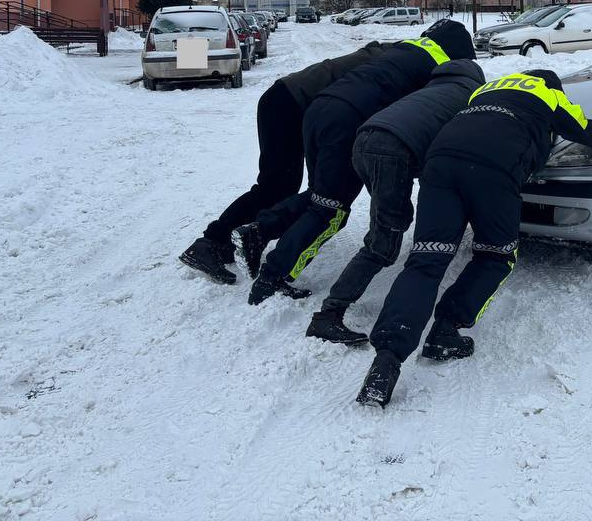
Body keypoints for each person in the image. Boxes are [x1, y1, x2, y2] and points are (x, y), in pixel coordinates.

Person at [355, 69, 592, 409]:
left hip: (440, 165)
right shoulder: (549, 94)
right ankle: (445, 330)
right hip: (493, 171)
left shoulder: (485, 91)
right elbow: (589, 132)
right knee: (495, 255)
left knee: (426, 260)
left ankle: (385, 362)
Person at [246, 20, 476, 304]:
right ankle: (273, 275)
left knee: (320, 196)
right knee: (331, 210)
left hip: (319, 108)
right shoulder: (438, 68)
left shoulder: (404, 48)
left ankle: (261, 229)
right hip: (348, 120)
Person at [179, 37, 397, 284]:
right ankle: (211, 242)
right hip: (289, 105)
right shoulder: (390, 65)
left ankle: (230, 240)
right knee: (275, 187)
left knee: (280, 187)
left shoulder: (383, 54)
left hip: (286, 99)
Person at [305, 57, 486, 344]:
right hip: (392, 150)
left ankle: (331, 310)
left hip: (364, 140)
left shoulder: (429, 89)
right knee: (383, 242)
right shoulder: (469, 97)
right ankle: (328, 315)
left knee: (390, 222)